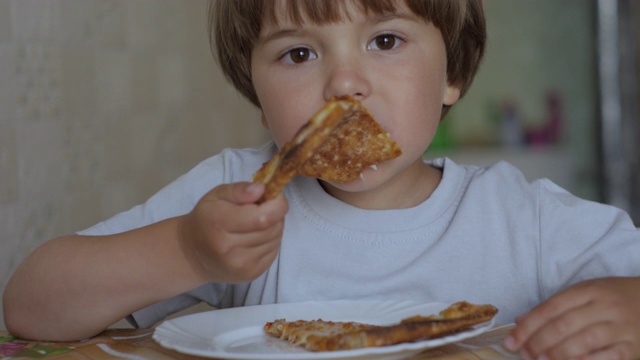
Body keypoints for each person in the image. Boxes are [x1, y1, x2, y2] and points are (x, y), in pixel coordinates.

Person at [4, 0, 640, 359]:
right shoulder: (233, 197)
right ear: (257, 94)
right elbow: (31, 309)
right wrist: (183, 250)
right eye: (298, 54)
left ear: (454, 75)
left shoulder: (524, 220)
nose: (343, 84)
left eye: (385, 40)